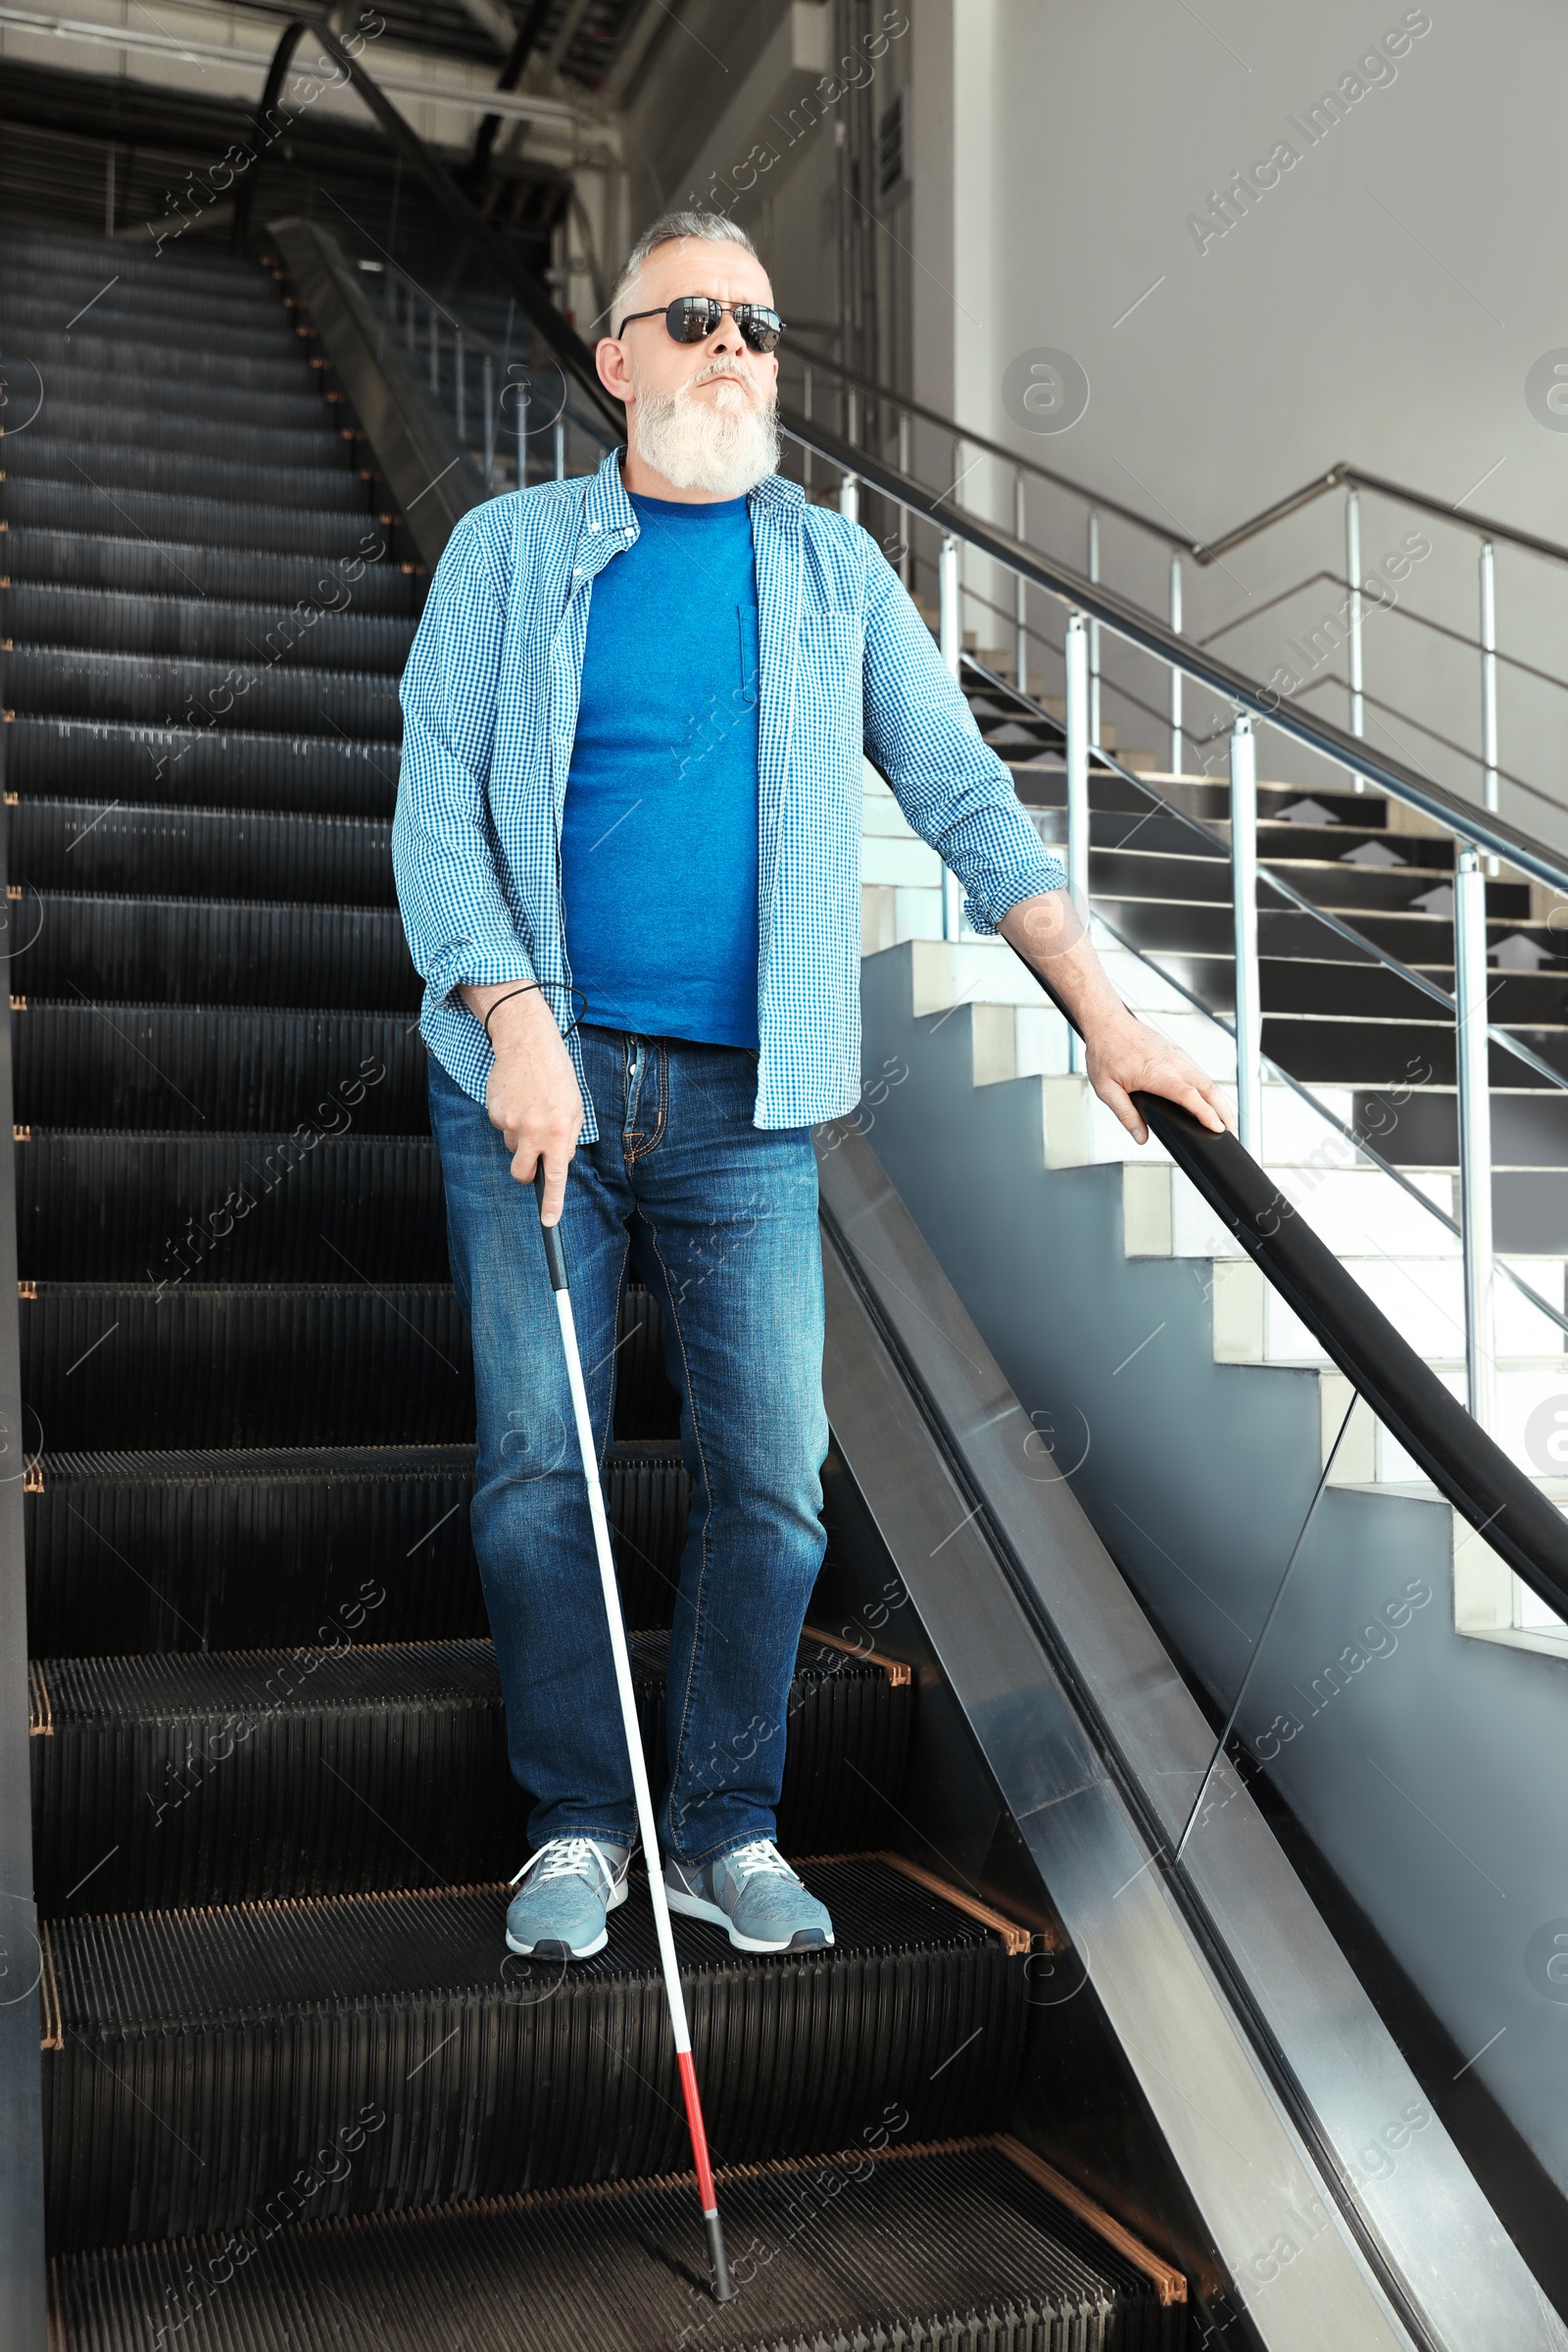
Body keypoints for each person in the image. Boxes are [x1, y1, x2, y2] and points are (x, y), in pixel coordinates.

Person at [393, 209, 1228, 1965]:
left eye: (758, 327)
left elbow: (962, 792)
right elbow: (436, 803)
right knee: (542, 1470)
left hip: (750, 1107)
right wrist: (517, 1015)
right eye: (689, 317)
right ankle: (569, 1823)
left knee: (775, 1485)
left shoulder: (831, 572)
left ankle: (718, 1823)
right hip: (530, 1080)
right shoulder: (505, 551)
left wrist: (1104, 1008)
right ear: (613, 358)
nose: (730, 348)